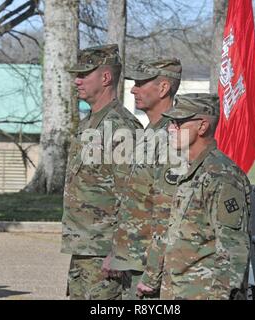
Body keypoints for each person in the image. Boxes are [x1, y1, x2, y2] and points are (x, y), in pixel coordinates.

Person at [137, 93, 251, 300]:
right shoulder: (188, 169)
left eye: (179, 123)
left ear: (202, 126)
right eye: (171, 122)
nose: (171, 129)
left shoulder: (221, 176)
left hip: (204, 293)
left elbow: (233, 249)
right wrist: (152, 276)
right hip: (178, 290)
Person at [61, 44, 142, 300]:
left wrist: (119, 250)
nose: (77, 80)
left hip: (105, 254)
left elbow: (133, 194)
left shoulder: (122, 127)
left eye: (84, 74)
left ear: (106, 77)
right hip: (84, 248)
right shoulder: (88, 124)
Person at [102, 58, 183, 299]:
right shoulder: (149, 133)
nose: (133, 89)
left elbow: (168, 212)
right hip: (132, 259)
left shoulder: (174, 137)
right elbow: (134, 202)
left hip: (150, 267)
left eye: (140, 83)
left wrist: (154, 270)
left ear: (163, 88)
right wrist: (117, 250)